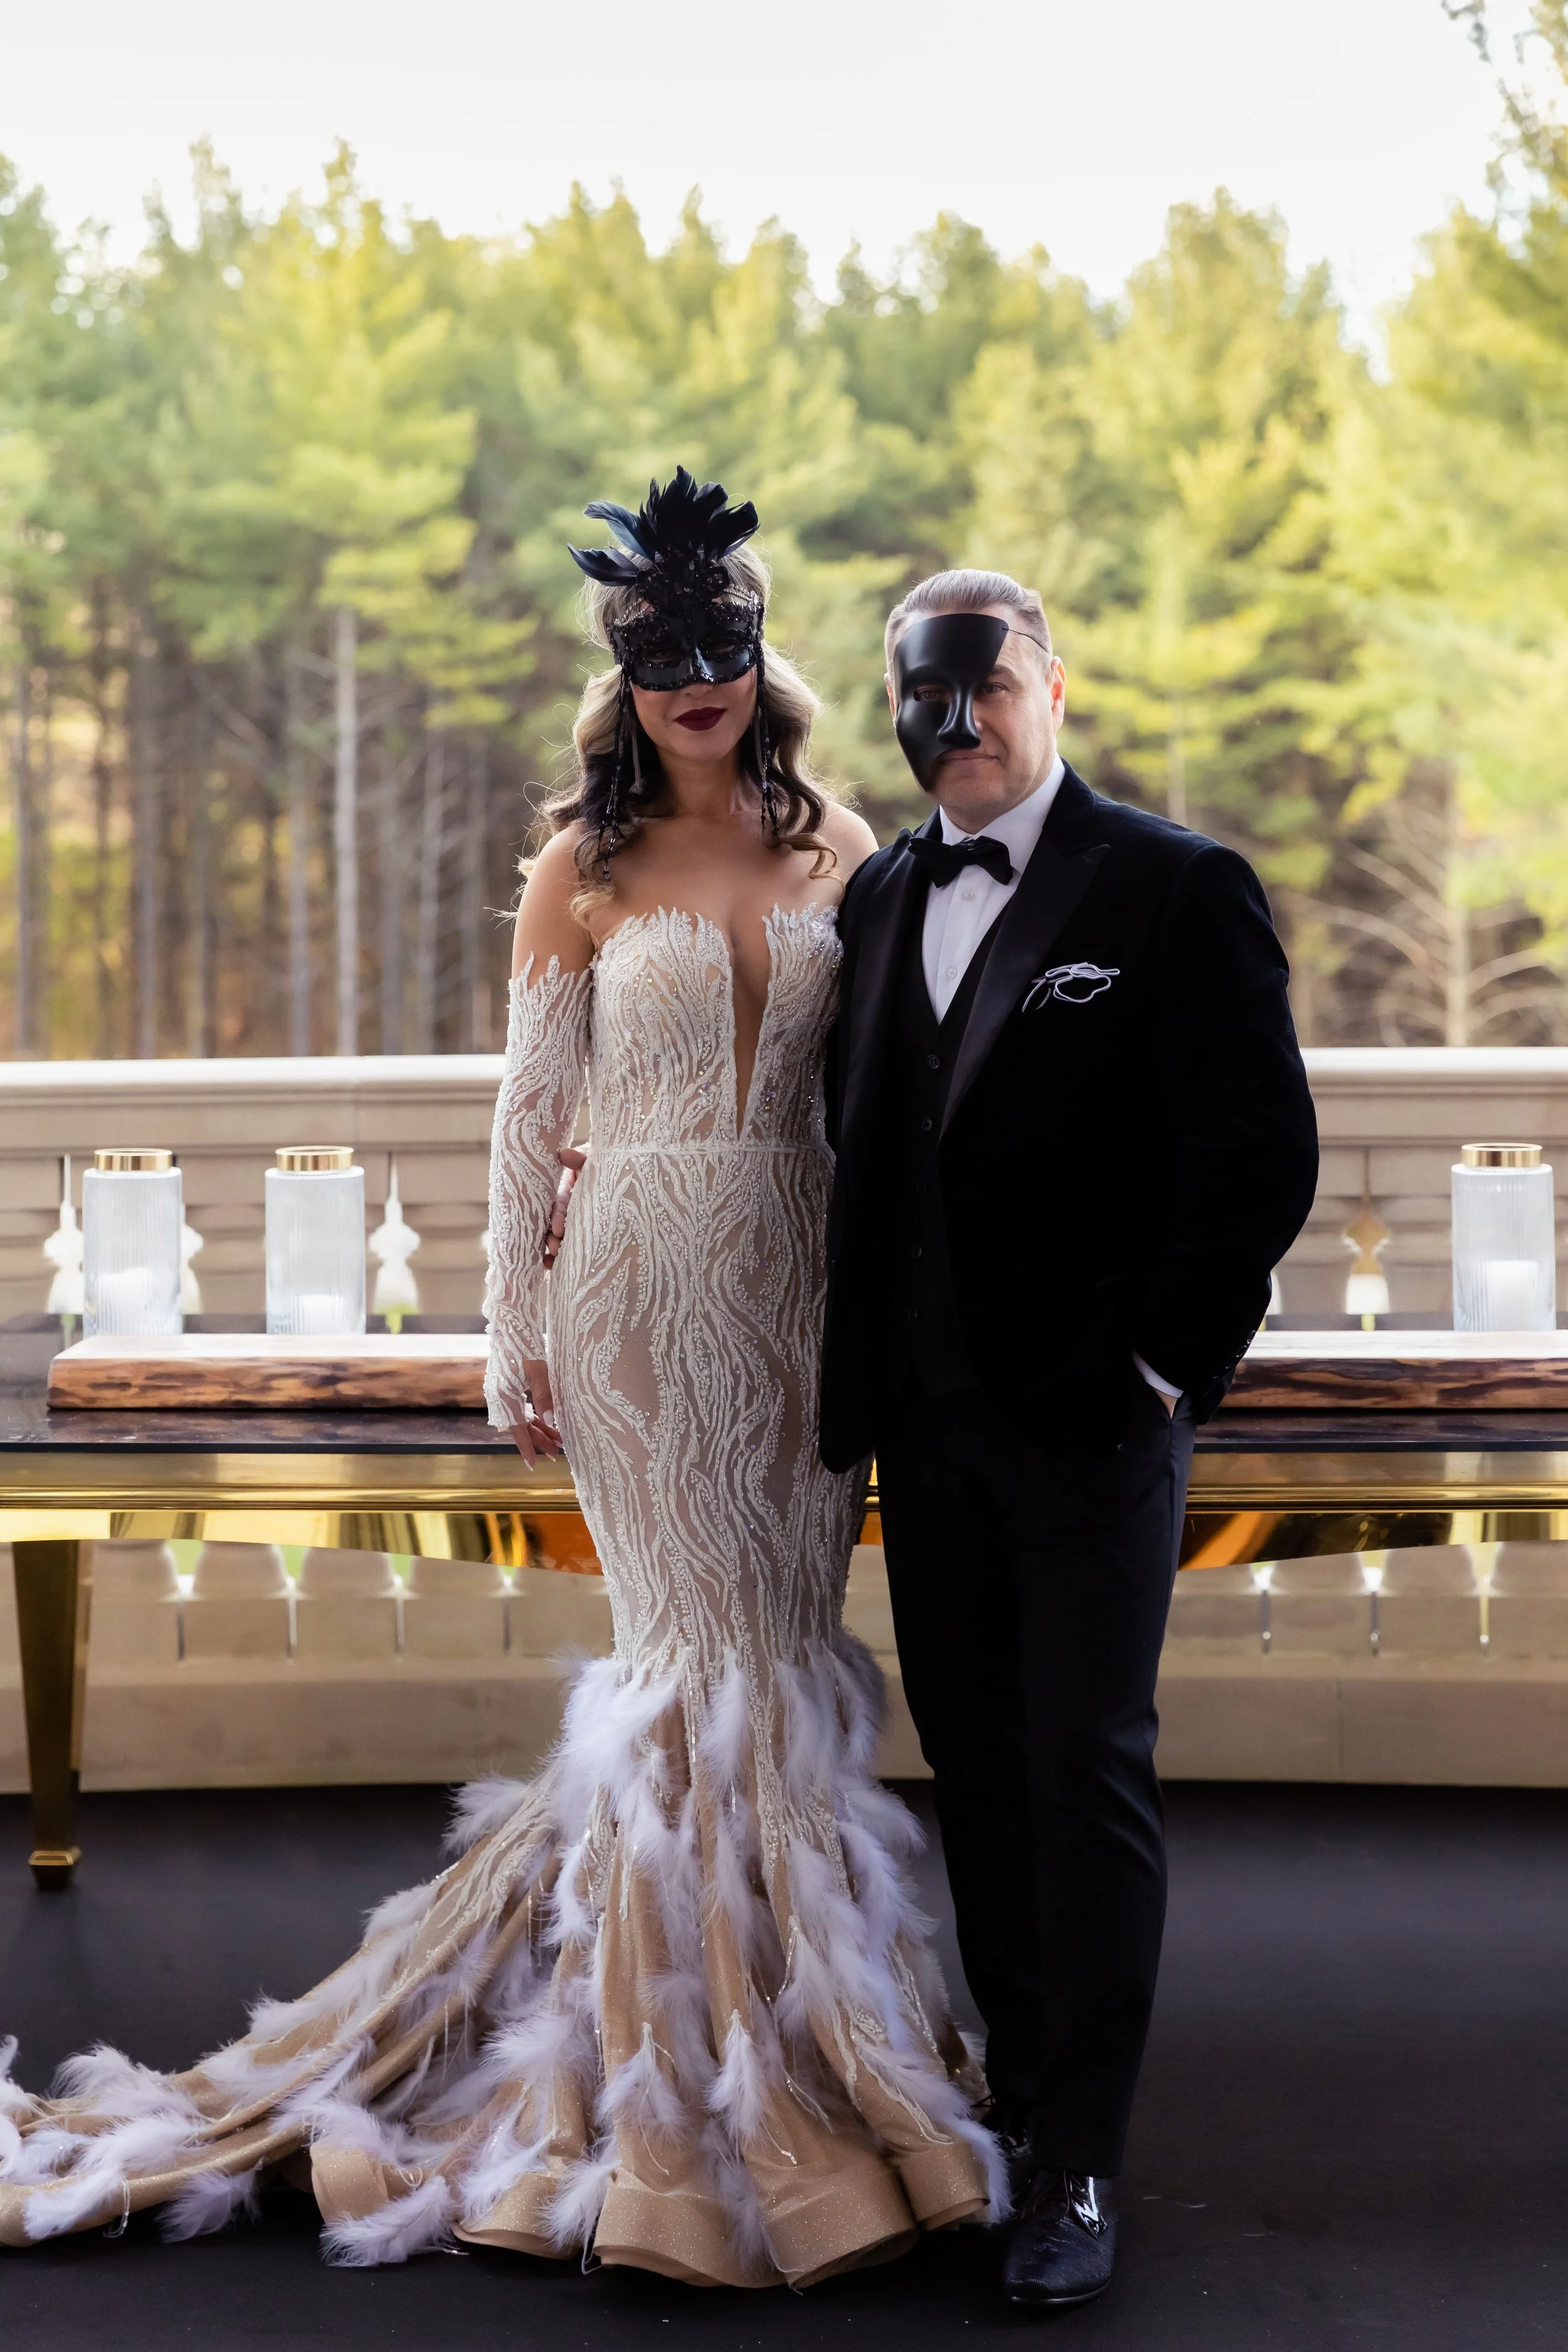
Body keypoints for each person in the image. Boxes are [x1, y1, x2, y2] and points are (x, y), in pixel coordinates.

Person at [0, 477, 1003, 2286]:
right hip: (633, 1287)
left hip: (806, 1291)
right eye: (660, 658)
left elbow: (913, 1084)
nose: (696, 685)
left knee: (777, 1655)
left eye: (725, 652)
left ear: (761, 664)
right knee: (694, 1660)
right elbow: (525, 1113)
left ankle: (801, 2048)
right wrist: (508, 1329)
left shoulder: (849, 841)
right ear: (622, 678)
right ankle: (674, 2102)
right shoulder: (582, 868)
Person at [820, 572, 1319, 2309]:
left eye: (984, 691)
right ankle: (1015, 2113)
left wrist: (1159, 1368)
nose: (953, 727)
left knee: (1080, 1768)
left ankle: (1081, 2165)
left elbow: (1258, 1153)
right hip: (930, 1427)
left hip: (1092, 1424)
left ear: (1052, 689)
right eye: (920, 697)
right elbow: (865, 1149)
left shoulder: (1176, 889)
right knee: (973, 1775)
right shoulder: (883, 892)